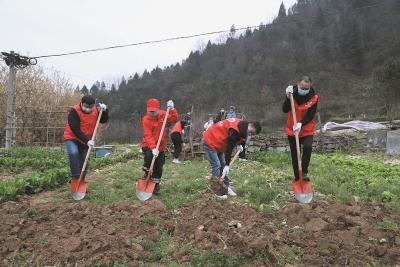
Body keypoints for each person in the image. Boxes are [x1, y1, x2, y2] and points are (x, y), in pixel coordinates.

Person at [202, 118, 262, 196]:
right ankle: (216, 191)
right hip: (210, 140)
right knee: (217, 165)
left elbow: (242, 137)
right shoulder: (235, 130)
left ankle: (226, 187)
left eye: (251, 134)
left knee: (222, 165)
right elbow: (229, 148)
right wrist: (227, 165)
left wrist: (240, 144)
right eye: (250, 132)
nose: (249, 134)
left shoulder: (243, 126)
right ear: (250, 125)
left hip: (218, 143)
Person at [63, 95, 108, 182]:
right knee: (73, 153)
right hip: (72, 137)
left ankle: (81, 181)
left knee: (85, 160)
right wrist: (87, 140)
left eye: (90, 107)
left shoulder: (95, 110)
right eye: (86, 106)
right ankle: (75, 177)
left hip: (86, 140)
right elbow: (75, 129)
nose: (88, 109)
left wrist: (105, 111)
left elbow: (103, 120)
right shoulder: (74, 111)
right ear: (82, 103)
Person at [282, 76, 319, 181]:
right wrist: (287, 97)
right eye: (302, 88)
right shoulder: (291, 94)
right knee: (295, 154)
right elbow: (284, 109)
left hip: (306, 128)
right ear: (298, 84)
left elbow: (311, 114)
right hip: (292, 129)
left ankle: (304, 172)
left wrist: (300, 123)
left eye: (306, 89)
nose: (304, 90)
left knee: (307, 147)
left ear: (310, 86)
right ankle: (298, 178)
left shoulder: (313, 98)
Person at [141, 98, 178, 195]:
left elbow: (174, 119)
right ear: (147, 110)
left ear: (158, 109)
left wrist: (172, 109)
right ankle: (146, 175)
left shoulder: (163, 115)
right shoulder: (145, 119)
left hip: (160, 146)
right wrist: (153, 148)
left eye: (154, 111)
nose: (152, 113)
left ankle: (155, 186)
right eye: (150, 111)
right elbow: (148, 135)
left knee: (159, 166)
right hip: (148, 145)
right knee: (149, 158)